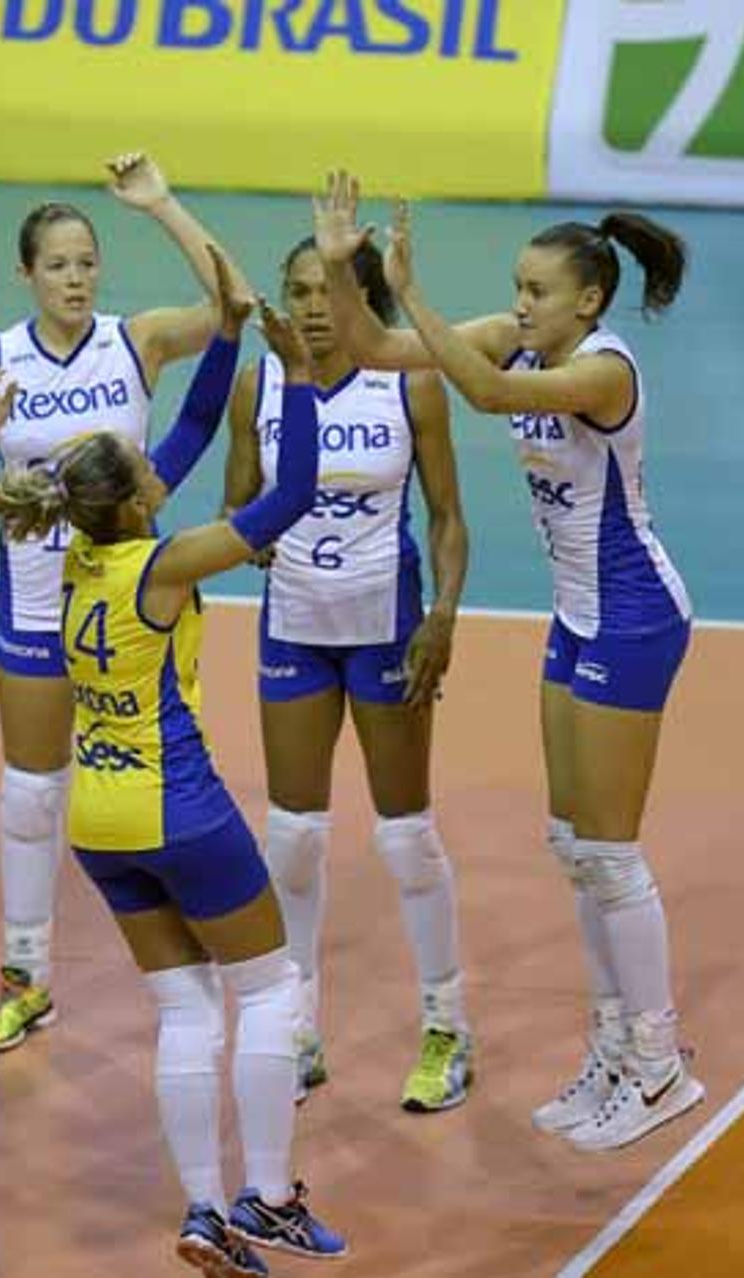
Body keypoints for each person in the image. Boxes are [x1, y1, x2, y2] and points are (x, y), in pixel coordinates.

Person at [315, 172, 704, 1151]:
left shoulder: (603, 370)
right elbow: (378, 352)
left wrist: (415, 292)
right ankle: (614, 1050)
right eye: (517, 288)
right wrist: (342, 271)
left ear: (590, 301)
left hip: (634, 615)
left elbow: (483, 391)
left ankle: (660, 1068)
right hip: (577, 617)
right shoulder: (522, 337)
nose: (521, 304)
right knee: (574, 848)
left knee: (611, 854)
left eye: (536, 292)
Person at [0, 287, 346, 1275]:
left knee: (185, 1010)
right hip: (178, 805)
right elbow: (289, 499)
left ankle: (202, 1213)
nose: (157, 464)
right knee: (269, 988)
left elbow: (181, 428)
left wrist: (223, 334)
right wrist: (297, 381)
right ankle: (266, 1199)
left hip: (97, 819)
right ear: (137, 499)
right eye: (146, 470)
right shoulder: (164, 565)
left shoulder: (79, 554)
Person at [0, 154, 251, 1052]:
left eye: (85, 262)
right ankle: (27, 979)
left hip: (131, 606)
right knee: (33, 793)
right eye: (57, 264)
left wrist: (163, 203)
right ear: (26, 274)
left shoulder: (134, 339)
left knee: (159, 771)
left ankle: (202, 951)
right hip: (35, 606)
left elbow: (234, 306)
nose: (74, 278)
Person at [221, 236, 473, 1111]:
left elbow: (446, 516)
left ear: (364, 302)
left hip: (385, 628)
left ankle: (447, 1027)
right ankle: (299, 1032)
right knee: (290, 835)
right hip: (294, 625)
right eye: (298, 291)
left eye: (330, 290)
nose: (314, 307)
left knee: (404, 837)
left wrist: (442, 614)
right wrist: (249, 531)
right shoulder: (260, 385)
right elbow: (236, 506)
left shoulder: (411, 383)